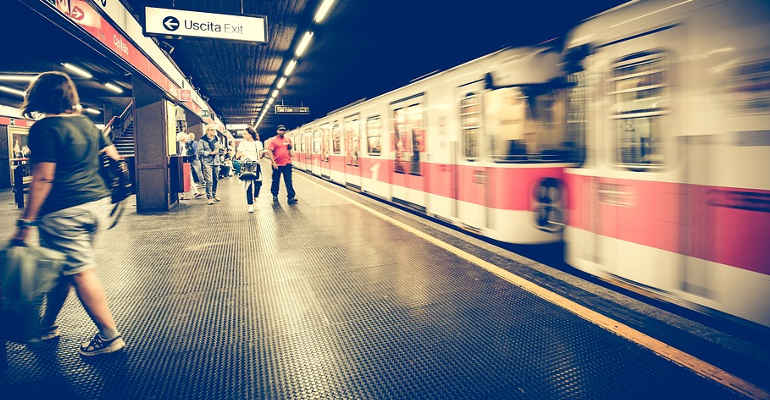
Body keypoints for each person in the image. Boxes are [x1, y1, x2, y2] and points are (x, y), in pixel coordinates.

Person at [10, 71, 124, 356]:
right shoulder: (87, 124)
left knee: (80, 271)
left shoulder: (44, 128)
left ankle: (109, 336)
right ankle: (47, 325)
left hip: (65, 211)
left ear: (39, 95)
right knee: (63, 269)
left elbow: (43, 178)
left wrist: (26, 222)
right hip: (97, 204)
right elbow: (114, 157)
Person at [268, 124, 297, 204]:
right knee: (275, 181)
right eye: (280, 130)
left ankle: (291, 197)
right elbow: (269, 151)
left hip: (287, 164)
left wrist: (290, 150)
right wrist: (273, 162)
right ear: (277, 131)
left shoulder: (288, 139)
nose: (282, 131)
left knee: (288, 181)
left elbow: (290, 151)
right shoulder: (273, 141)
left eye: (283, 130)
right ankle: (275, 195)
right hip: (277, 164)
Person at [239, 127, 265, 213]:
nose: (243, 135)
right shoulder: (242, 143)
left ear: (250, 134)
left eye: (245, 134)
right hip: (247, 165)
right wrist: (242, 155)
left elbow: (260, 155)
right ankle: (250, 205)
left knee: (259, 183)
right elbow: (238, 154)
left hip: (256, 164)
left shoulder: (258, 143)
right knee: (249, 185)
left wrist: (262, 154)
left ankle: (255, 196)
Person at [199, 127, 222, 205]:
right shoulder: (202, 140)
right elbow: (200, 151)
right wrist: (209, 153)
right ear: (208, 131)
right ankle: (209, 197)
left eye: (215, 130)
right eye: (212, 130)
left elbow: (220, 148)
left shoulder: (217, 139)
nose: (214, 131)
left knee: (216, 179)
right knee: (209, 180)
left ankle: (214, 194)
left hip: (216, 162)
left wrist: (221, 151)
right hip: (207, 162)